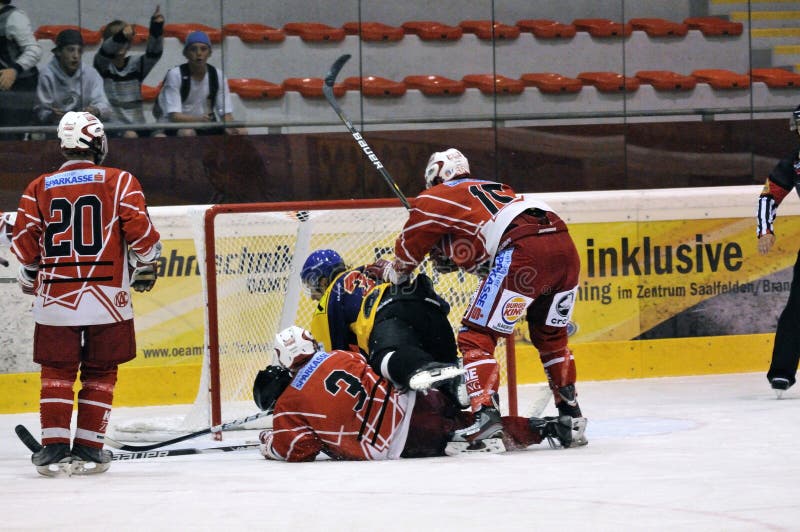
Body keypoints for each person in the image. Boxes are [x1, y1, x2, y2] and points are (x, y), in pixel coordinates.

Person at [366, 148, 587, 445]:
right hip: (564, 248)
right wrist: (452, 253)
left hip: (523, 251)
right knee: (551, 337)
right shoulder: (496, 187)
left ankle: (485, 414)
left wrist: (395, 272)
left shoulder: (435, 196)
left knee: (475, 336)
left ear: (434, 177)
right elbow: (485, 243)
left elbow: (411, 246)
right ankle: (570, 414)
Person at [9, 111, 161, 476]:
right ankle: (91, 448)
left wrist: (33, 270)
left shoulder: (38, 186)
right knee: (101, 371)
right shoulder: (121, 181)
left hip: (55, 300)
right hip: (109, 298)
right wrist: (145, 261)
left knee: (56, 372)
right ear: (97, 142)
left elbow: (24, 247)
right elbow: (144, 240)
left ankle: (54, 447)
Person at [253, 326, 581, 462]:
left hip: (403, 441)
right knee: (470, 422)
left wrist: (268, 441)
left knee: (458, 436)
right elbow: (368, 372)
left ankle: (538, 429)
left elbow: (300, 449)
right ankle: (459, 385)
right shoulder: (341, 355)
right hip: (416, 400)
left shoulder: (287, 406)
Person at [301, 248, 463, 394]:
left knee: (385, 360)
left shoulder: (327, 300)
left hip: (392, 320)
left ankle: (421, 368)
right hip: (431, 309)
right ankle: (464, 390)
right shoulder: (370, 269)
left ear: (322, 281)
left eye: (311, 286)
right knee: (449, 378)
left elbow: (331, 362)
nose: (313, 296)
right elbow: (443, 305)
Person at [757, 104, 800, 398]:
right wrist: (765, 229)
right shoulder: (795, 163)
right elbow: (768, 195)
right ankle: (782, 372)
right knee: (796, 310)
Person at [153, 30, 244, 136]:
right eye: (193, 49)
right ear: (185, 53)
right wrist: (199, 120)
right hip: (173, 125)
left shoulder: (217, 75)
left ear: (210, 53)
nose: (199, 53)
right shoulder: (175, 75)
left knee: (240, 131)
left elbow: (225, 113)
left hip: (203, 124)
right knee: (188, 133)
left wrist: (230, 127)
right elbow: (175, 116)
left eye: (203, 49)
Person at [93, 5, 164, 138]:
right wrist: (121, 36)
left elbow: (154, 53)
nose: (122, 44)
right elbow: (106, 50)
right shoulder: (102, 65)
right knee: (130, 136)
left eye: (126, 40)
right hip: (113, 128)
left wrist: (156, 28)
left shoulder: (135, 65)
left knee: (160, 137)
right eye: (117, 39)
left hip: (138, 125)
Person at [34, 28, 111, 126]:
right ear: (58, 52)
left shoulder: (91, 74)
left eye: (79, 51)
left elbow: (105, 107)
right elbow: (40, 111)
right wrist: (51, 115)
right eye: (71, 50)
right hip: (56, 129)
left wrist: (96, 110)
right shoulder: (46, 75)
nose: (76, 56)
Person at [0, 0, 42, 140]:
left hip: (19, 86)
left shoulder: (13, 17)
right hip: (3, 86)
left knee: (10, 137)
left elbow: (34, 50)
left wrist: (15, 69)